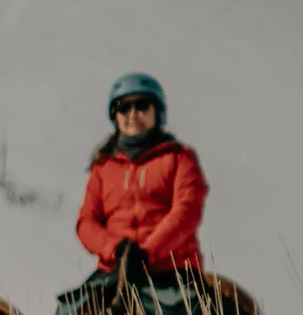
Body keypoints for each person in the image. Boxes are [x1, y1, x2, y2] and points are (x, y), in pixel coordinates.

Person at [75, 72, 207, 285]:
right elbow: (86, 222)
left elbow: (186, 213)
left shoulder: (180, 158)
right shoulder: (104, 167)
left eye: (142, 105)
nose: (133, 114)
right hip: (113, 273)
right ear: (115, 116)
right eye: (123, 107)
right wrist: (117, 250)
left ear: (158, 112)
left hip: (172, 272)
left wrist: (145, 254)